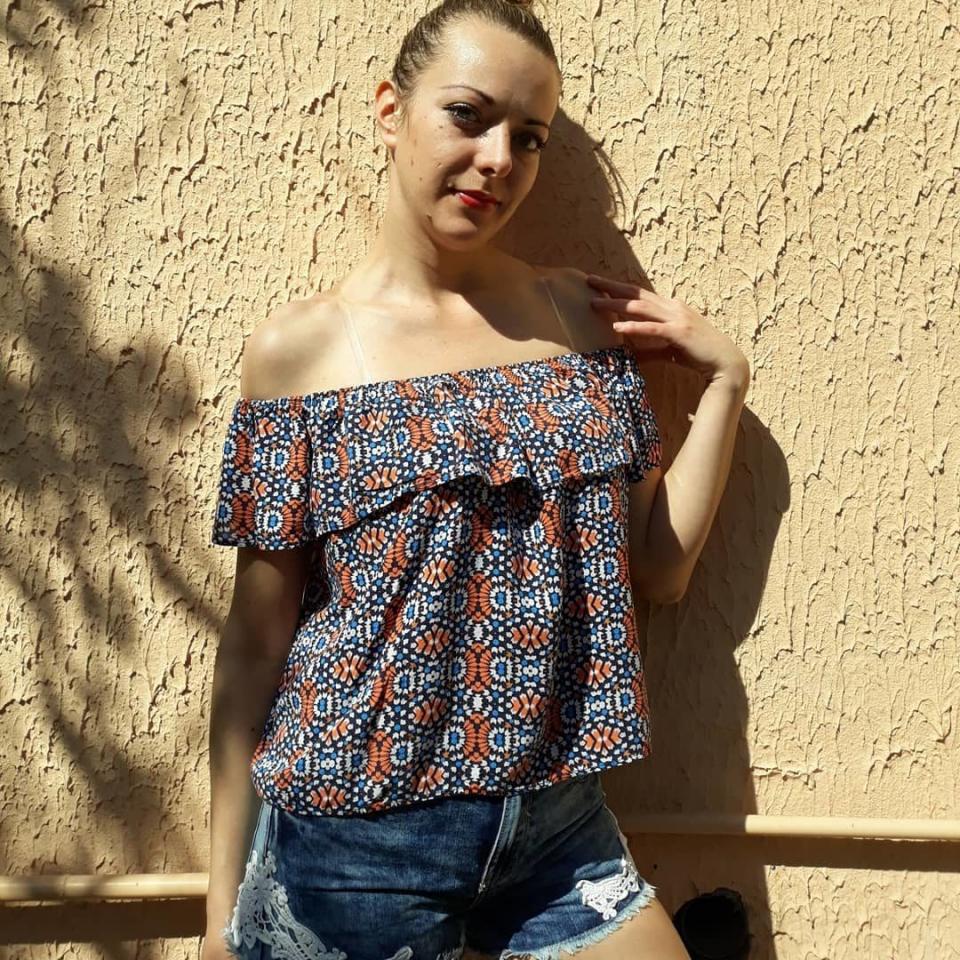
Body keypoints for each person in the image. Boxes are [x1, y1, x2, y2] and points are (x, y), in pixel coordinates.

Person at [201, 0, 749, 958]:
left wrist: (726, 383)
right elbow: (255, 645)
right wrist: (218, 912)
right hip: (353, 841)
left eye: (528, 137)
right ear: (390, 111)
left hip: (558, 828)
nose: (500, 159)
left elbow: (658, 570)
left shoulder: (578, 320)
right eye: (468, 114)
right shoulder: (298, 353)